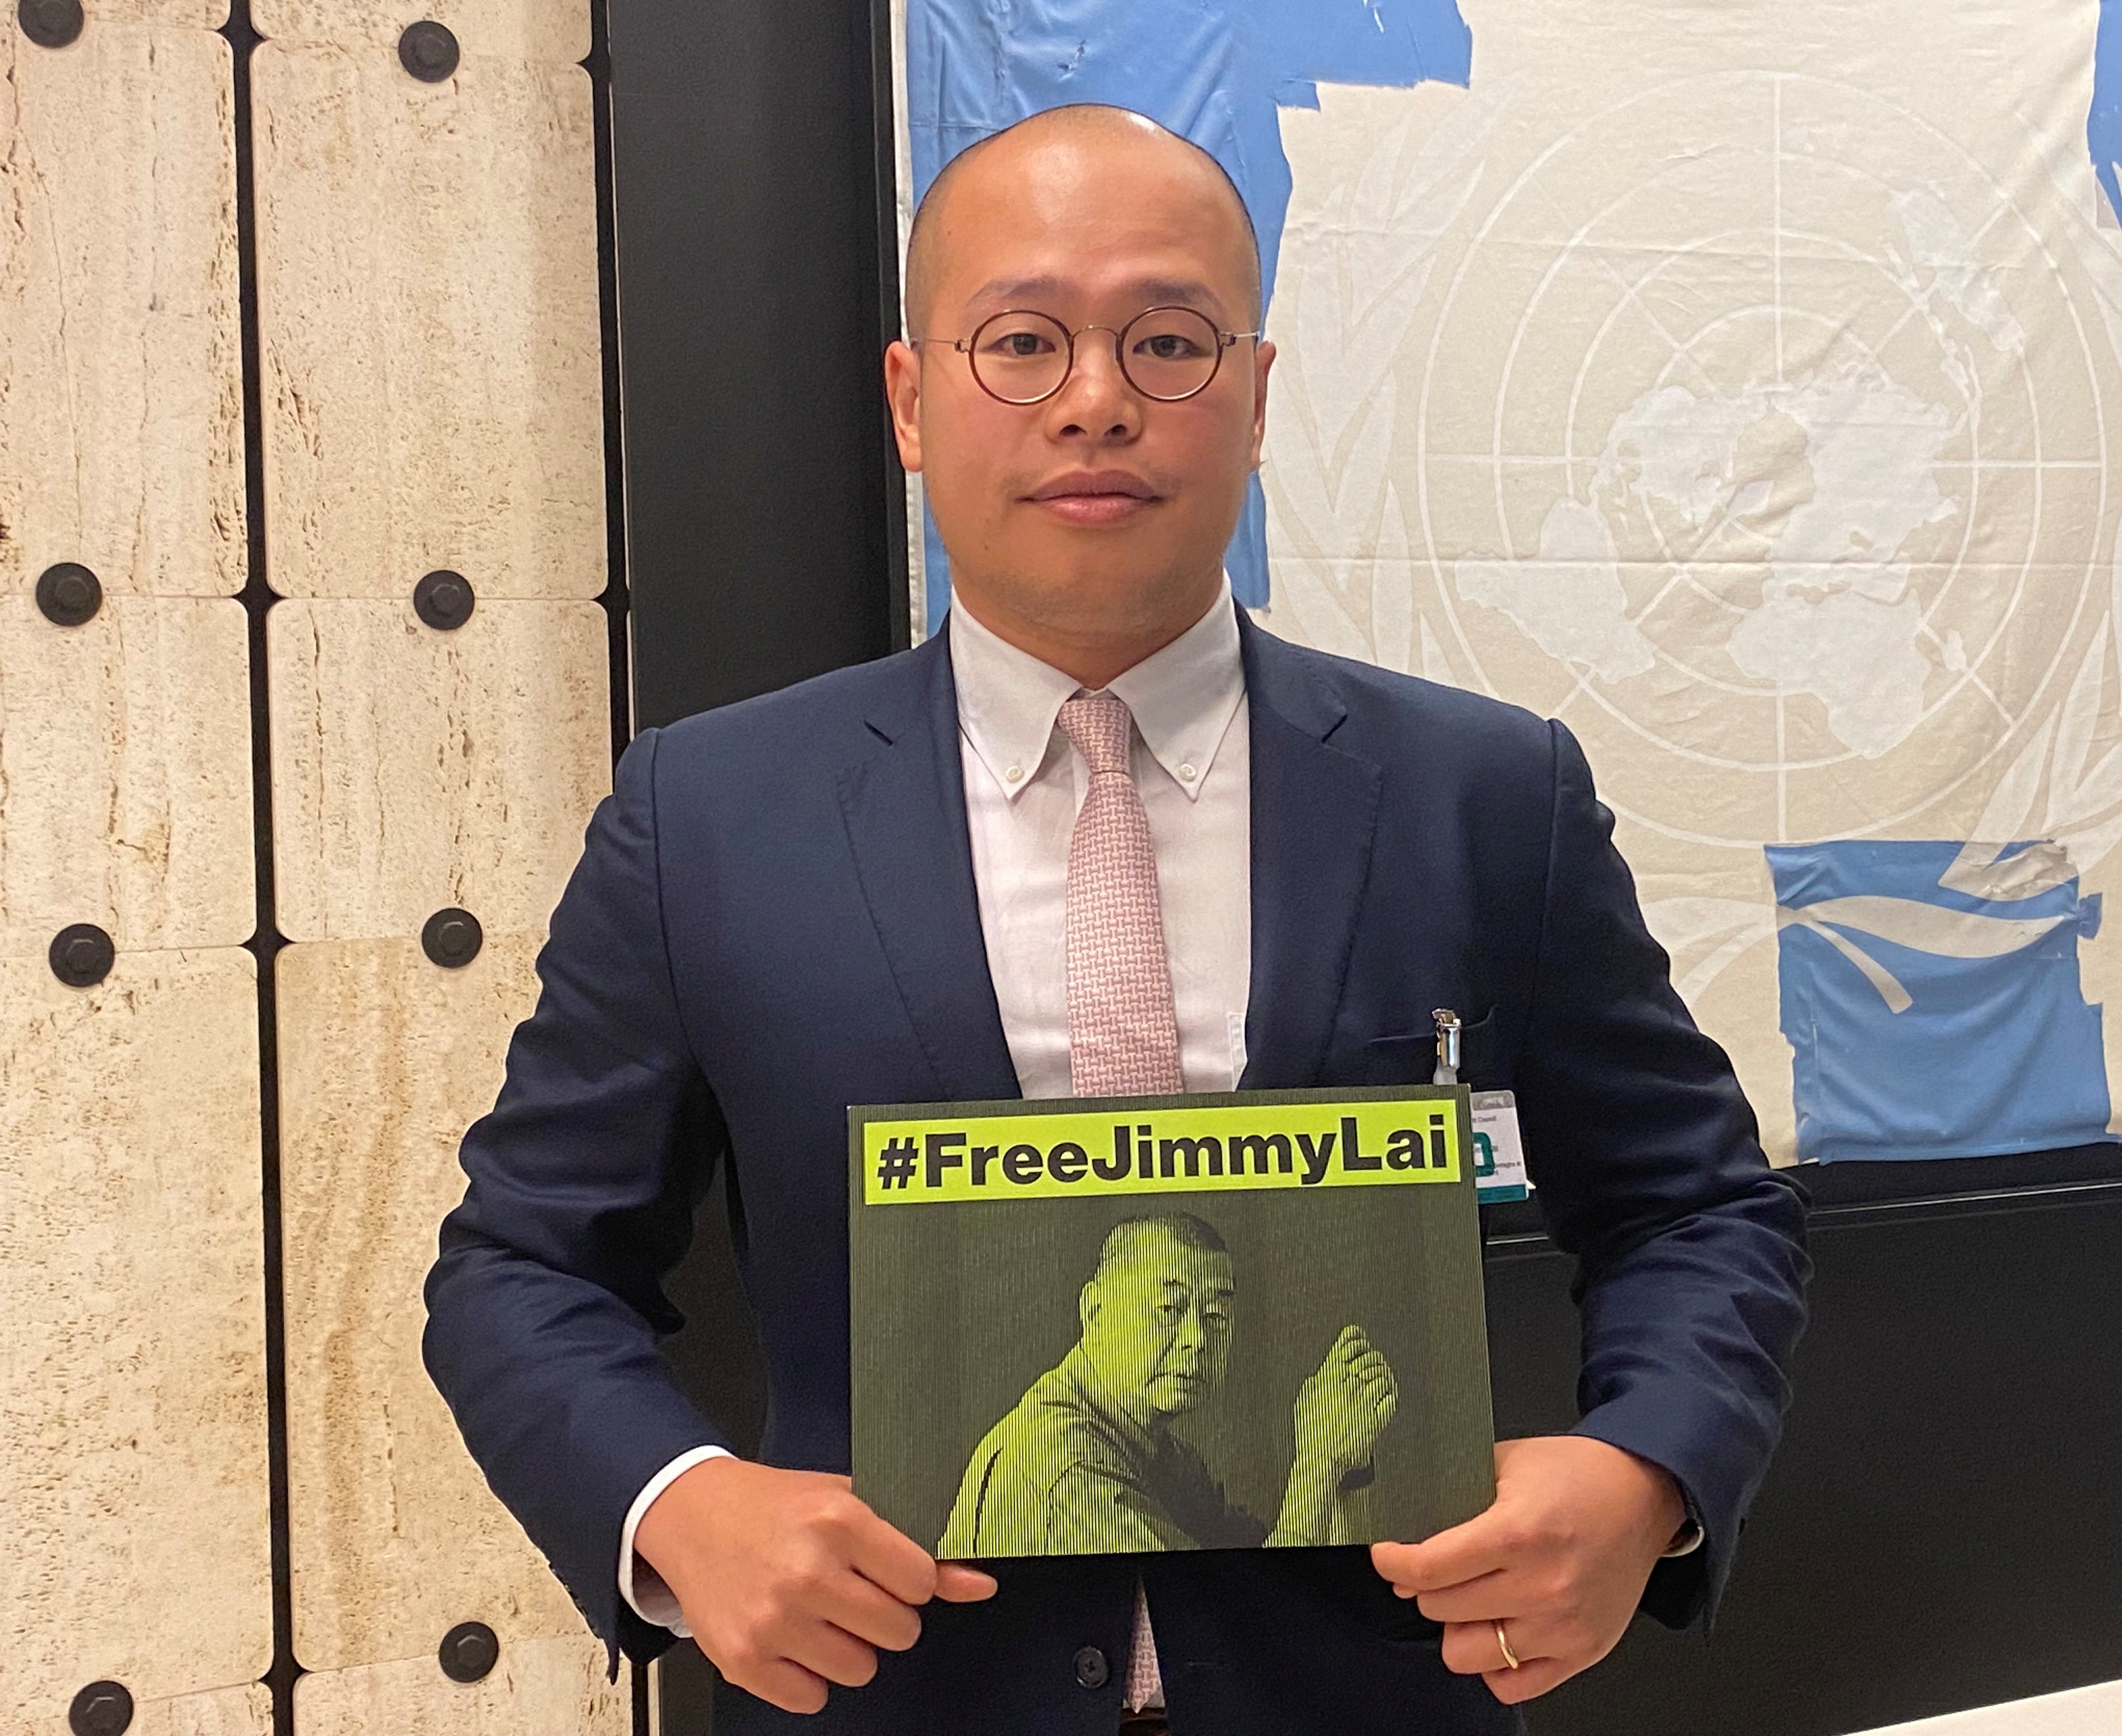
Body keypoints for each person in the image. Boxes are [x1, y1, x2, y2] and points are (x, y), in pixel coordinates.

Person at [424, 103, 1810, 1735]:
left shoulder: (1484, 793)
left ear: (1257, 395)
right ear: (911, 401)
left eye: (1168, 340)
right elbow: (519, 1262)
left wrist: (1645, 1471)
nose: (1096, 403)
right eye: (1021, 340)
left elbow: (1697, 1208)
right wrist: (675, 1506)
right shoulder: (707, 819)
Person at [938, 1213, 1397, 1558]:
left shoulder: (1162, 1455)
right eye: (1169, 1309)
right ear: (1094, 1310)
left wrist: (1348, 1465)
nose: (1197, 1340)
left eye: (1216, 1316)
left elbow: (1294, 1576)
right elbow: (1234, 1633)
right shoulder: (1062, 1464)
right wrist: (1316, 1469)